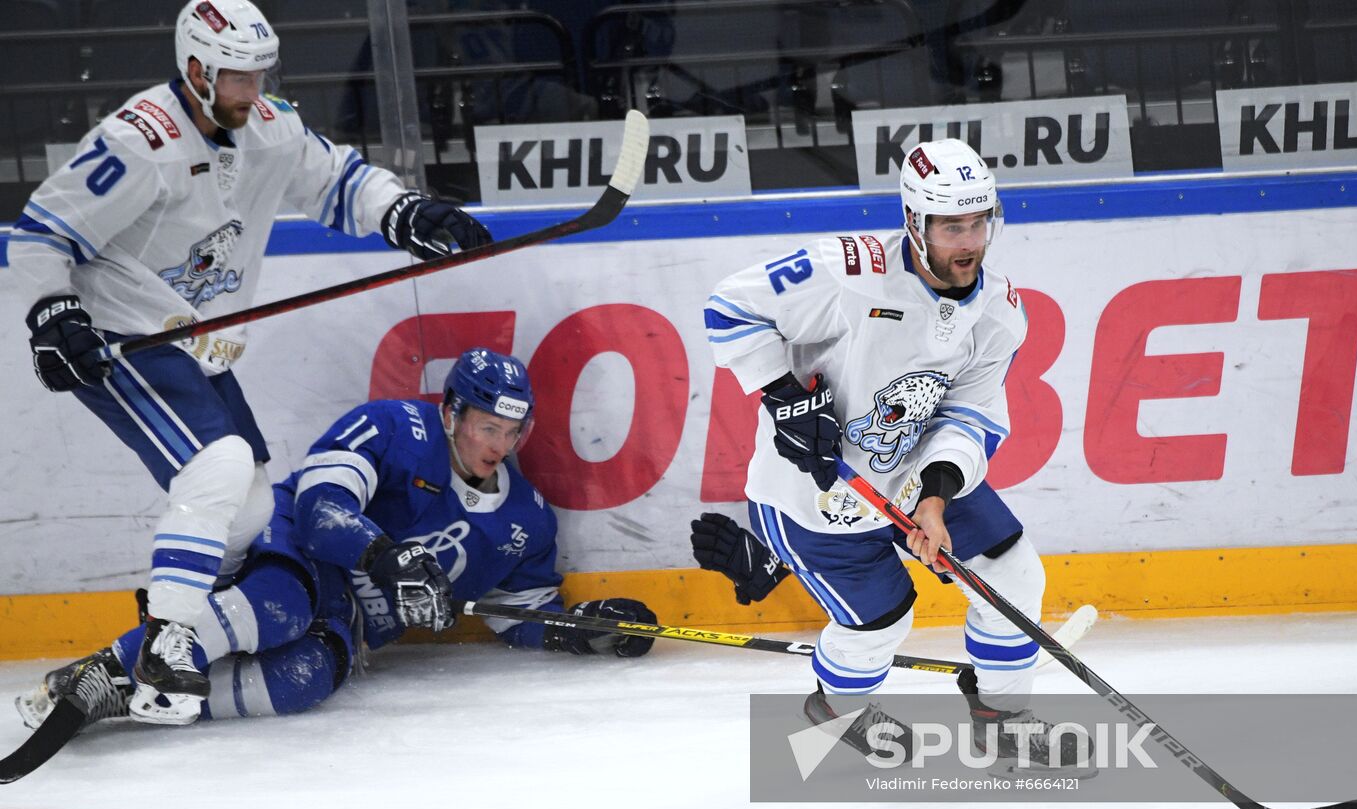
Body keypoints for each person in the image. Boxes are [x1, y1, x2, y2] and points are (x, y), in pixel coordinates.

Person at [4, 1, 492, 725]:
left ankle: (178, 635)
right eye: (237, 77)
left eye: (259, 75)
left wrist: (405, 212)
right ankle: (166, 640)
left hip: (195, 345)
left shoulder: (270, 126)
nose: (252, 91)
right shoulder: (141, 140)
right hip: (120, 331)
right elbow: (40, 233)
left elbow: (337, 181)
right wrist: (53, 314)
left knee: (253, 505)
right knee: (220, 465)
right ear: (195, 70)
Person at [16, 349, 657, 731]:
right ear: (451, 413)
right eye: (488, 428)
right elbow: (321, 510)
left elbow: (514, 617)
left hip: (346, 618)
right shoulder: (394, 426)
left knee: (304, 679)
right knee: (281, 605)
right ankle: (106, 668)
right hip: (294, 547)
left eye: (513, 433)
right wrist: (384, 555)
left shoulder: (527, 520)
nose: (501, 445)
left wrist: (581, 632)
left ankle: (122, 698)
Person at [701, 138, 1087, 770]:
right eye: (952, 227)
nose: (969, 242)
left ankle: (1002, 718)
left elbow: (971, 415)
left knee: (1014, 573)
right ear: (914, 221)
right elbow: (730, 306)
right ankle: (837, 709)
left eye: (979, 223)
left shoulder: (998, 312)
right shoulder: (849, 270)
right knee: (881, 623)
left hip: (910, 476)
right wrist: (785, 397)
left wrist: (935, 497)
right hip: (813, 495)